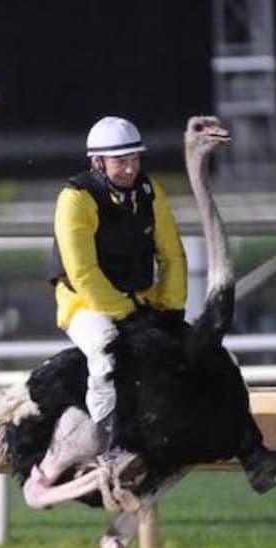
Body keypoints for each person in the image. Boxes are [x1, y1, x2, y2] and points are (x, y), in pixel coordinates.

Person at [49, 116, 187, 454]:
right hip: (84, 304)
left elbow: (172, 254)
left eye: (135, 159)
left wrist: (171, 307)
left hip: (138, 300)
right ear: (98, 162)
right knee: (106, 356)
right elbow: (82, 272)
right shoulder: (75, 198)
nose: (130, 168)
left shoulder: (150, 191)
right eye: (120, 161)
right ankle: (108, 443)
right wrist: (126, 313)